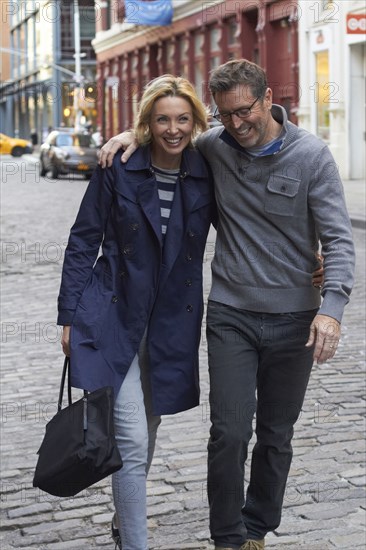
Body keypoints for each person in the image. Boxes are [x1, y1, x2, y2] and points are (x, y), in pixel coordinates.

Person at [98, 59, 354, 550]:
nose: (238, 124)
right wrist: (124, 139)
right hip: (231, 314)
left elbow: (340, 241)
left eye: (245, 110)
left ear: (267, 96)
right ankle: (228, 539)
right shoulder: (213, 147)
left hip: (296, 319)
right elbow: (167, 137)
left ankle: (256, 526)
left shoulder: (313, 156)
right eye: (226, 114)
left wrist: (331, 308)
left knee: (276, 435)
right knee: (230, 432)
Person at [57, 74, 217, 550]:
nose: (173, 129)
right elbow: (84, 239)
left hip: (170, 326)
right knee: (130, 440)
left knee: (145, 433)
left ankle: (123, 521)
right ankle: (135, 543)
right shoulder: (118, 166)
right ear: (146, 122)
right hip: (113, 317)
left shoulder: (208, 167)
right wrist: (68, 315)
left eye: (182, 118)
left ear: (195, 121)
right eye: (161, 119)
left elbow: (253, 143)